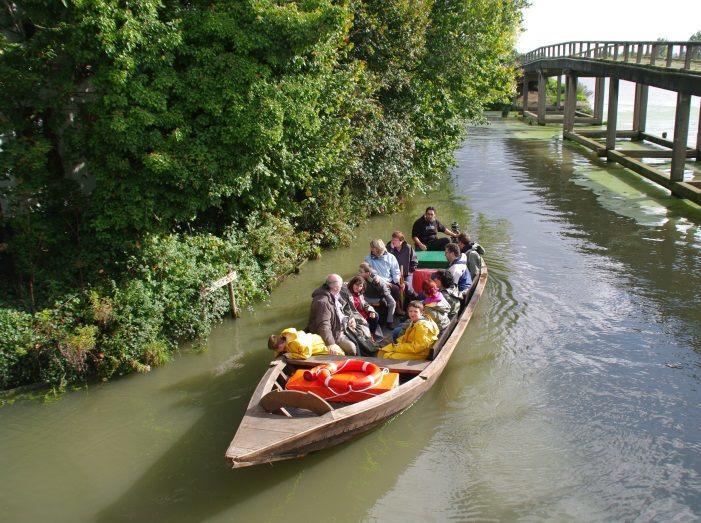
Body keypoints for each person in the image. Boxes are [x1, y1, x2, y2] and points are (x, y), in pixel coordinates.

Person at [307, 274, 358, 355]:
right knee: (351, 348)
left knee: (360, 336)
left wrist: (351, 317)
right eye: (341, 285)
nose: (342, 286)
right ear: (336, 287)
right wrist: (330, 343)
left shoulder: (335, 293)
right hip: (334, 332)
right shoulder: (323, 302)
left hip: (341, 324)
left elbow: (345, 307)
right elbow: (323, 324)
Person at [365, 239, 403, 315]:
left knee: (399, 287)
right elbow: (372, 273)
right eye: (371, 248)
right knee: (390, 289)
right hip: (376, 281)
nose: (372, 250)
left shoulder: (391, 257)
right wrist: (384, 282)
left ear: (379, 248)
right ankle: (390, 309)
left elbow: (395, 271)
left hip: (389, 280)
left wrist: (397, 281)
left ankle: (397, 308)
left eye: (373, 248)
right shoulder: (368, 259)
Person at [268, 328, 344, 359]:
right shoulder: (284, 336)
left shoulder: (298, 343)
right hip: (314, 340)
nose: (276, 350)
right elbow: (277, 352)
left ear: (280, 345)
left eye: (276, 348)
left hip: (323, 350)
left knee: (339, 356)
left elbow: (306, 355)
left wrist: (291, 355)